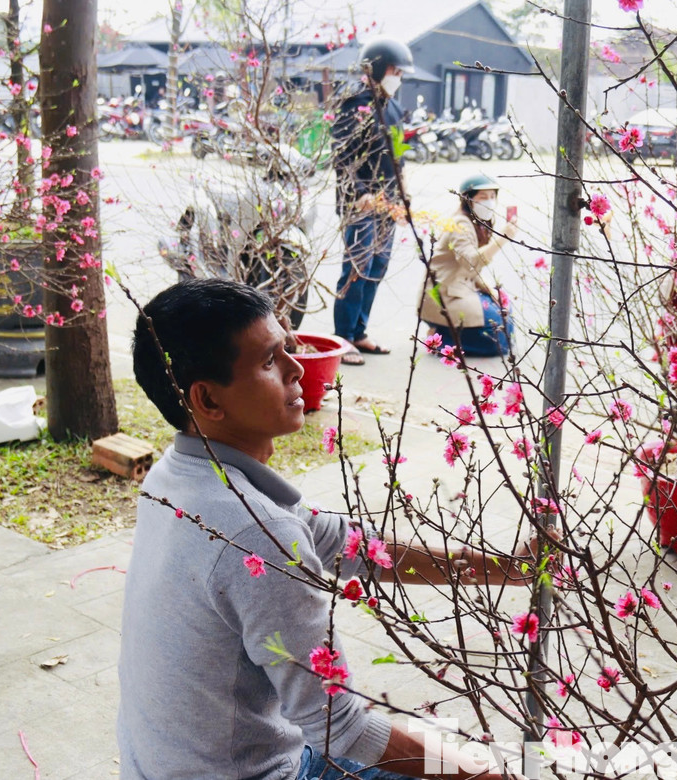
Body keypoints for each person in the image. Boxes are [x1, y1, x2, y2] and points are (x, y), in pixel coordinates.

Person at [120, 278, 532, 780]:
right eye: (271, 361)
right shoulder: (257, 535)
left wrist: (509, 569)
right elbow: (341, 729)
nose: (297, 368)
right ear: (207, 400)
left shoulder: (174, 475)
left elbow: (351, 544)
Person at [330, 38, 414, 366]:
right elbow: (342, 157)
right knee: (357, 269)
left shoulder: (392, 106)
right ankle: (343, 337)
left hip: (389, 205)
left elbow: (399, 158)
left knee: (377, 267)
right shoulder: (356, 104)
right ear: (377, 68)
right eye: (395, 71)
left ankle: (360, 331)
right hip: (360, 204)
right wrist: (361, 194)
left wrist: (404, 197)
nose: (399, 77)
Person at [419, 174, 518, 357]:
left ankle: (443, 331)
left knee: (505, 312)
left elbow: (474, 270)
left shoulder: (478, 223)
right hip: (444, 293)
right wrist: (502, 239)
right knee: (496, 339)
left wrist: (488, 288)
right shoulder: (460, 224)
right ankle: (441, 339)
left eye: (492, 197)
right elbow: (471, 262)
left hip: (462, 288)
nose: (489, 202)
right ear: (468, 199)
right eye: (483, 197)